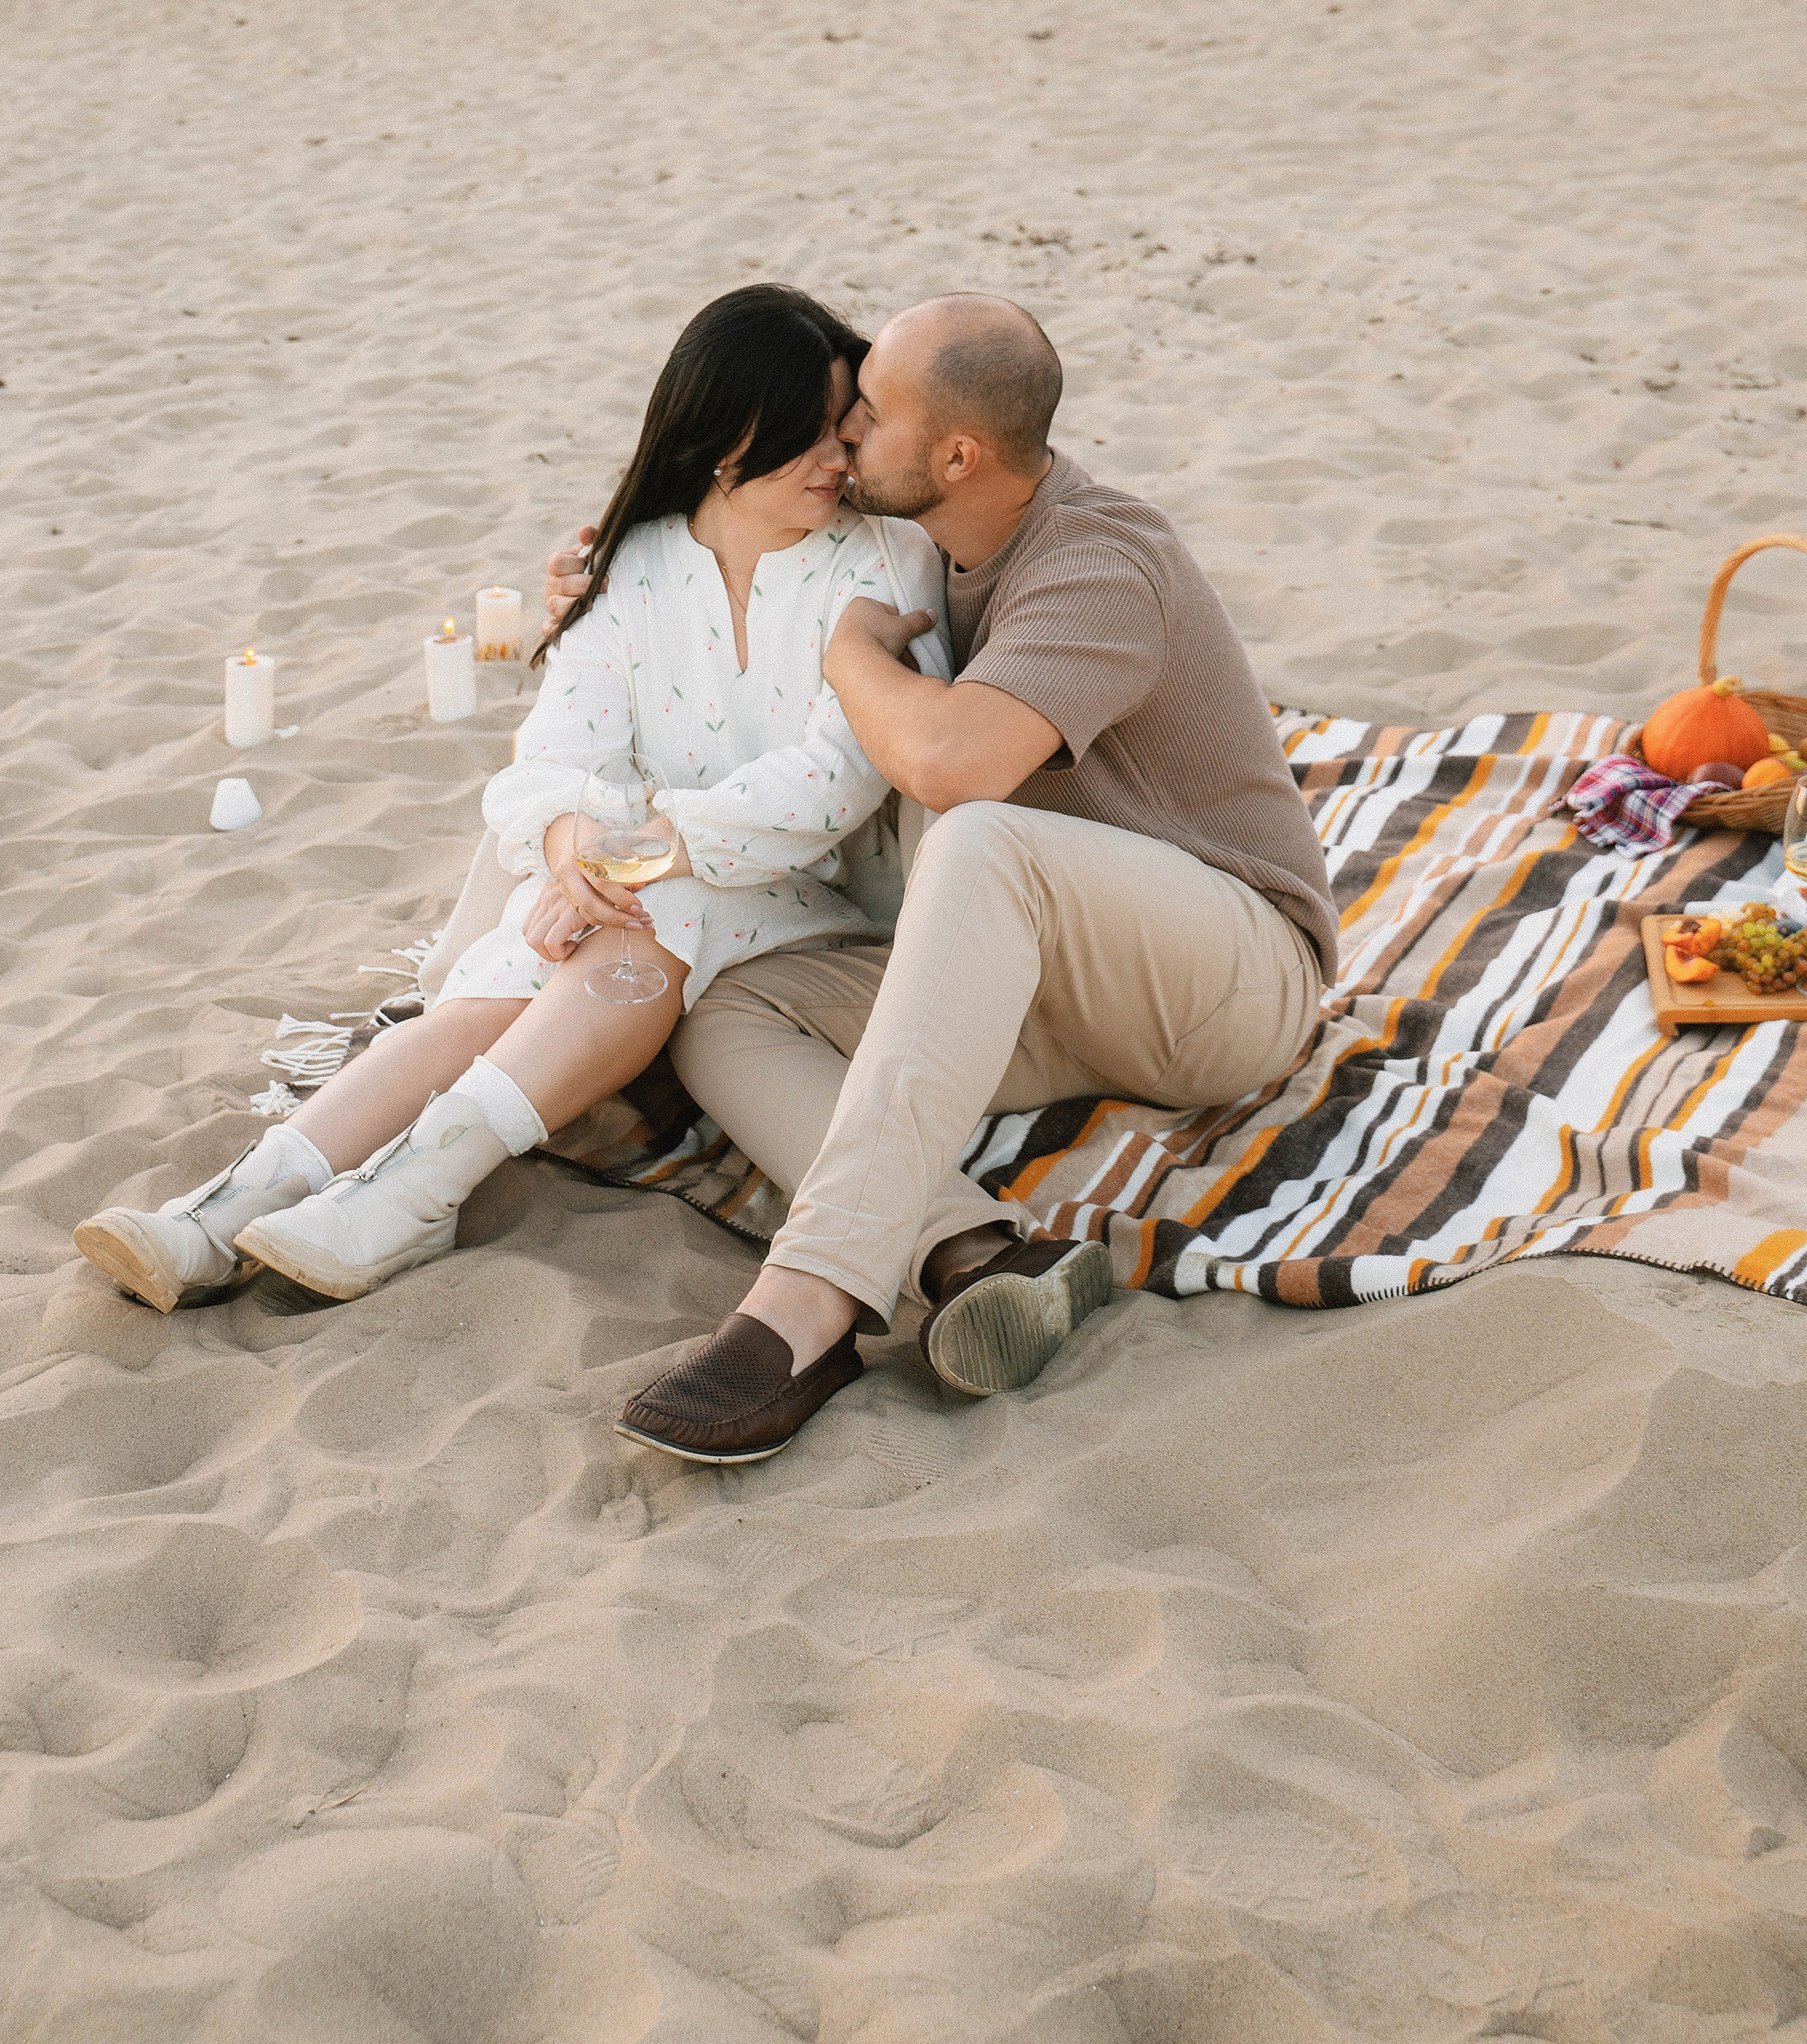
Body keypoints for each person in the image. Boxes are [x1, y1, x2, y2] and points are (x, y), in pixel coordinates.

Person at [544, 296, 1336, 1466]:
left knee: (976, 832)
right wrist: (599, 578)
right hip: (1047, 986)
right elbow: (733, 527)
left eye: (865, 414)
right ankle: (978, 1254)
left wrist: (853, 654)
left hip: (1229, 981)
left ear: (957, 454)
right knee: (733, 1010)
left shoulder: (1101, 557)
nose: (841, 435)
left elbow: (952, 762)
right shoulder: (928, 544)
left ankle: (809, 1303)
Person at [73, 283, 944, 1316]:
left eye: (845, 426)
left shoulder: (887, 562)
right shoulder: (635, 566)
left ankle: (413, 1193)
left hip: (812, 908)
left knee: (627, 916)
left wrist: (634, 857)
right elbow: (555, 748)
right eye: (810, 434)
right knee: (507, 977)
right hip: (644, 891)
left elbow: (834, 780)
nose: (841, 458)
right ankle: (226, 1212)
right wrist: (576, 840)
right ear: (726, 435)